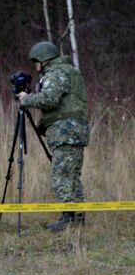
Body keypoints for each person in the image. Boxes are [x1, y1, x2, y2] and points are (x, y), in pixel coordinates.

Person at [18, 40, 89, 231]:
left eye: (36, 62)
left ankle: (68, 220)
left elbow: (50, 99)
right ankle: (78, 218)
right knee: (72, 175)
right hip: (75, 132)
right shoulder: (70, 71)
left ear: (44, 60)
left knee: (63, 176)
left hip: (65, 132)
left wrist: (26, 99)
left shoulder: (56, 73)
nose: (35, 67)